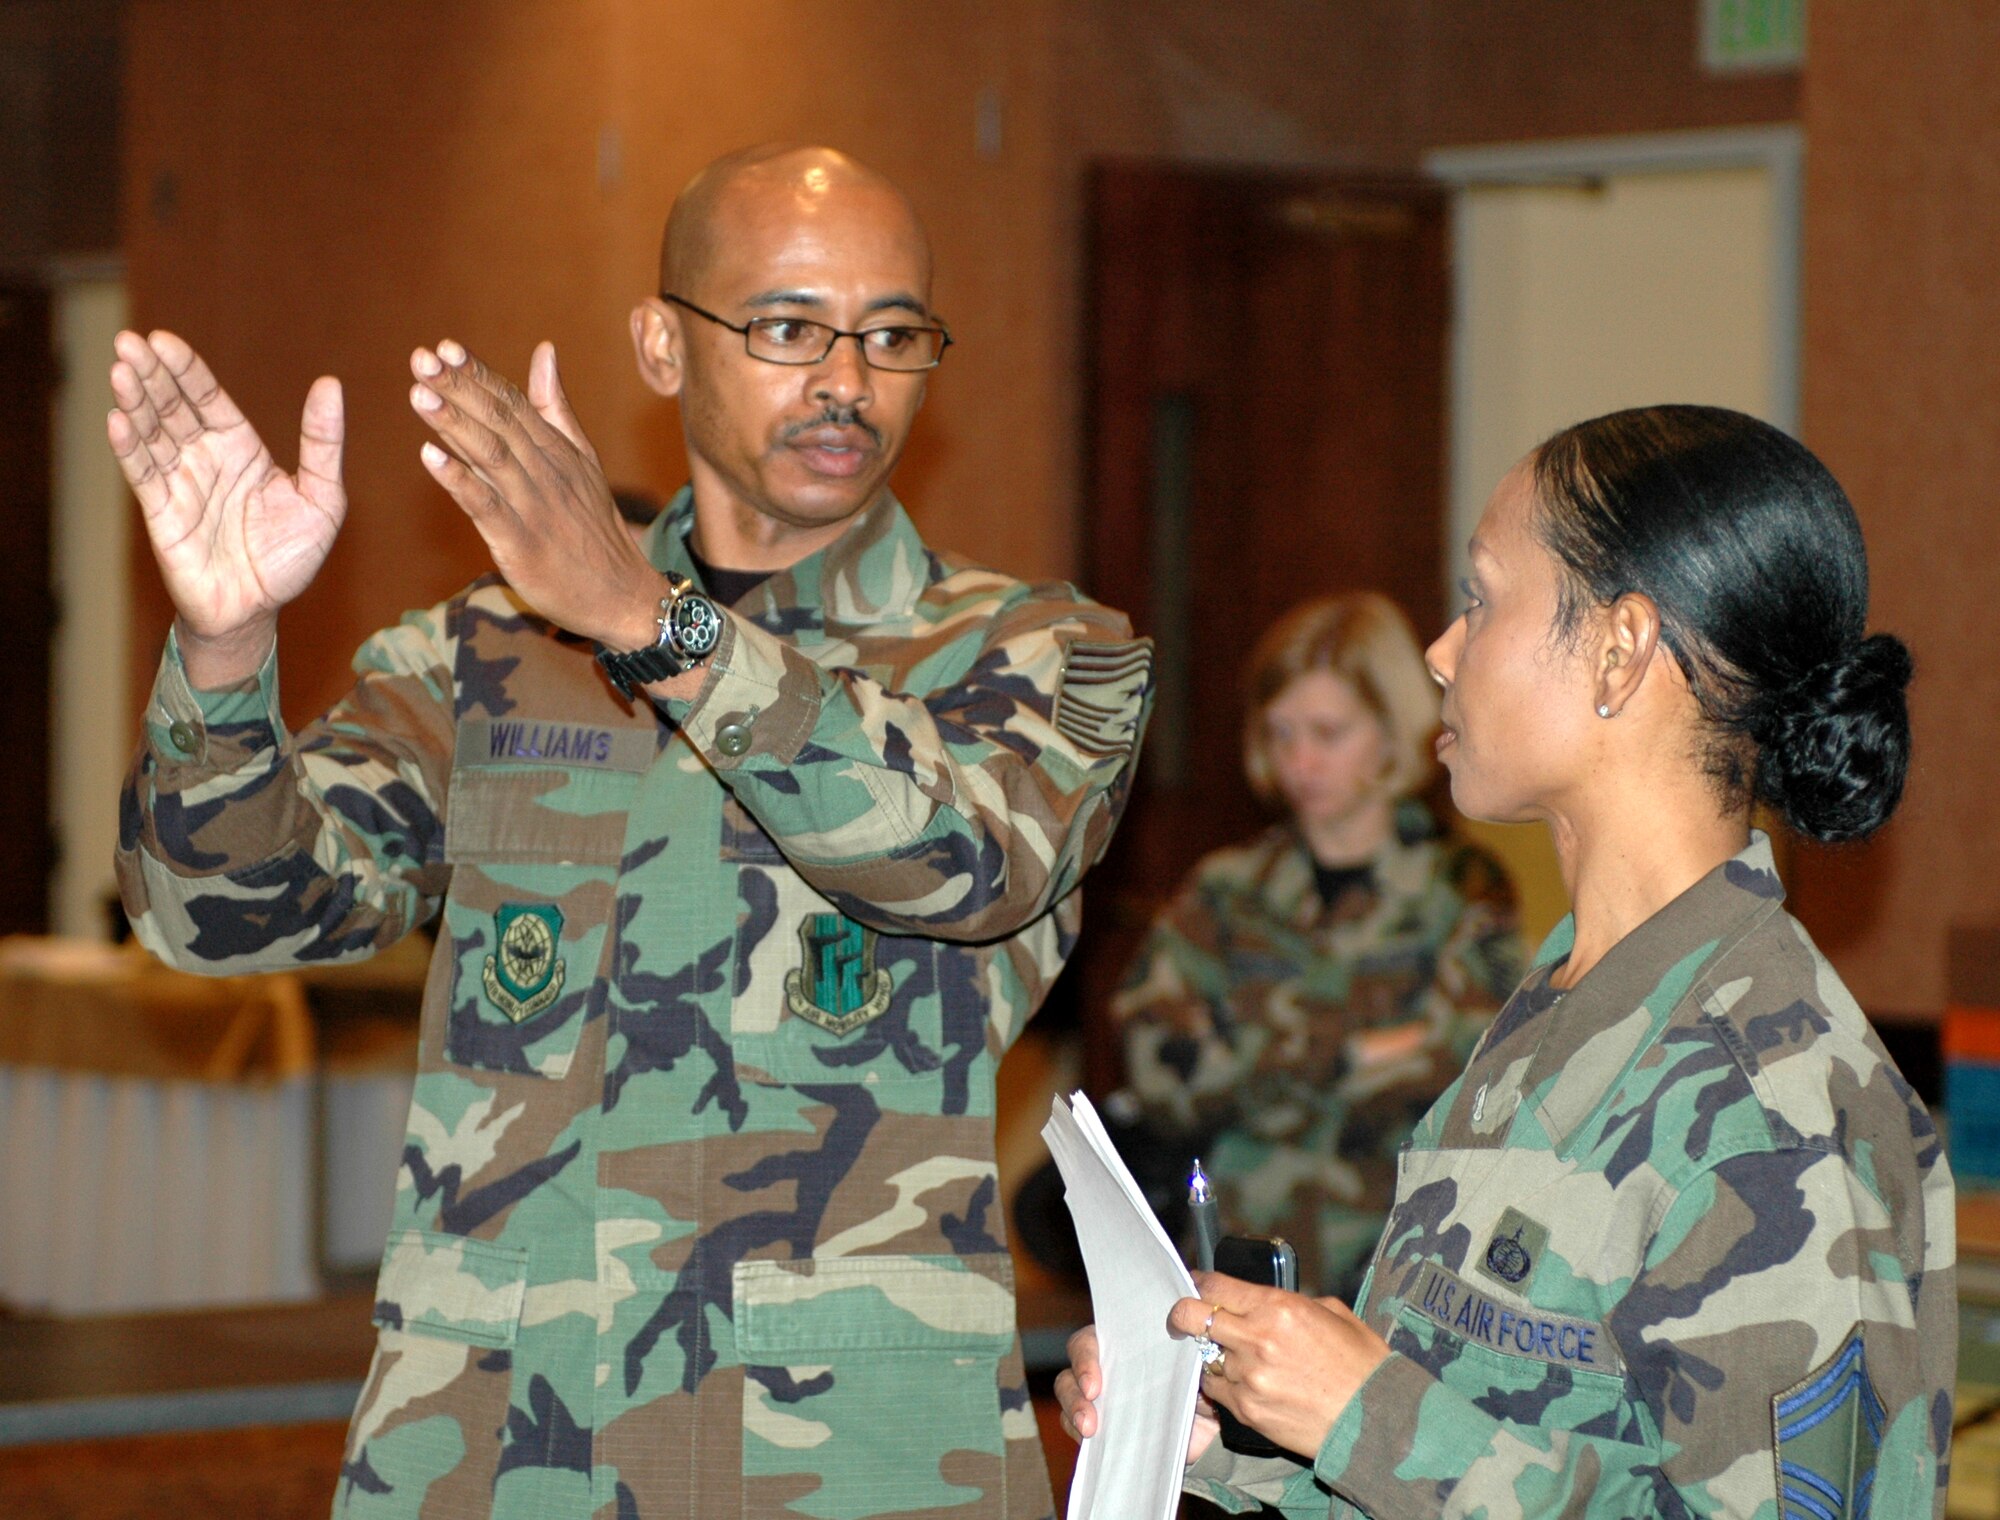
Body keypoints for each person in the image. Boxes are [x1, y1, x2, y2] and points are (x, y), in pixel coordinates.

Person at [109, 145, 1152, 1520]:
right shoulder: (484, 652)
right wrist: (229, 646)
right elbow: (216, 914)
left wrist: (652, 625)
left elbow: (968, 858)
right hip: (500, 1444)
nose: (848, 381)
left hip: (845, 1461)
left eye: (893, 335)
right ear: (663, 347)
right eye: (789, 328)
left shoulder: (1037, 652)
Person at [1057, 405, 1955, 1518]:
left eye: (1480, 598)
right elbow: (1490, 1434)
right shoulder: (1560, 1008)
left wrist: (1367, 1413)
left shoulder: (1764, 1089)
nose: (1438, 650)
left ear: (1617, 651)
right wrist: (1232, 1438)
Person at [1112, 593, 1520, 1300]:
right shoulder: (1225, 893)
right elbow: (1160, 1073)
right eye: (1281, 733)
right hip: (1237, 1264)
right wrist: (1356, 1054)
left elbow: (1483, 1067)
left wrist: (1255, 1062)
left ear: (1393, 732)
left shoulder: (1460, 890)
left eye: (1329, 733)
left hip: (1402, 1270)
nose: (1302, 761)